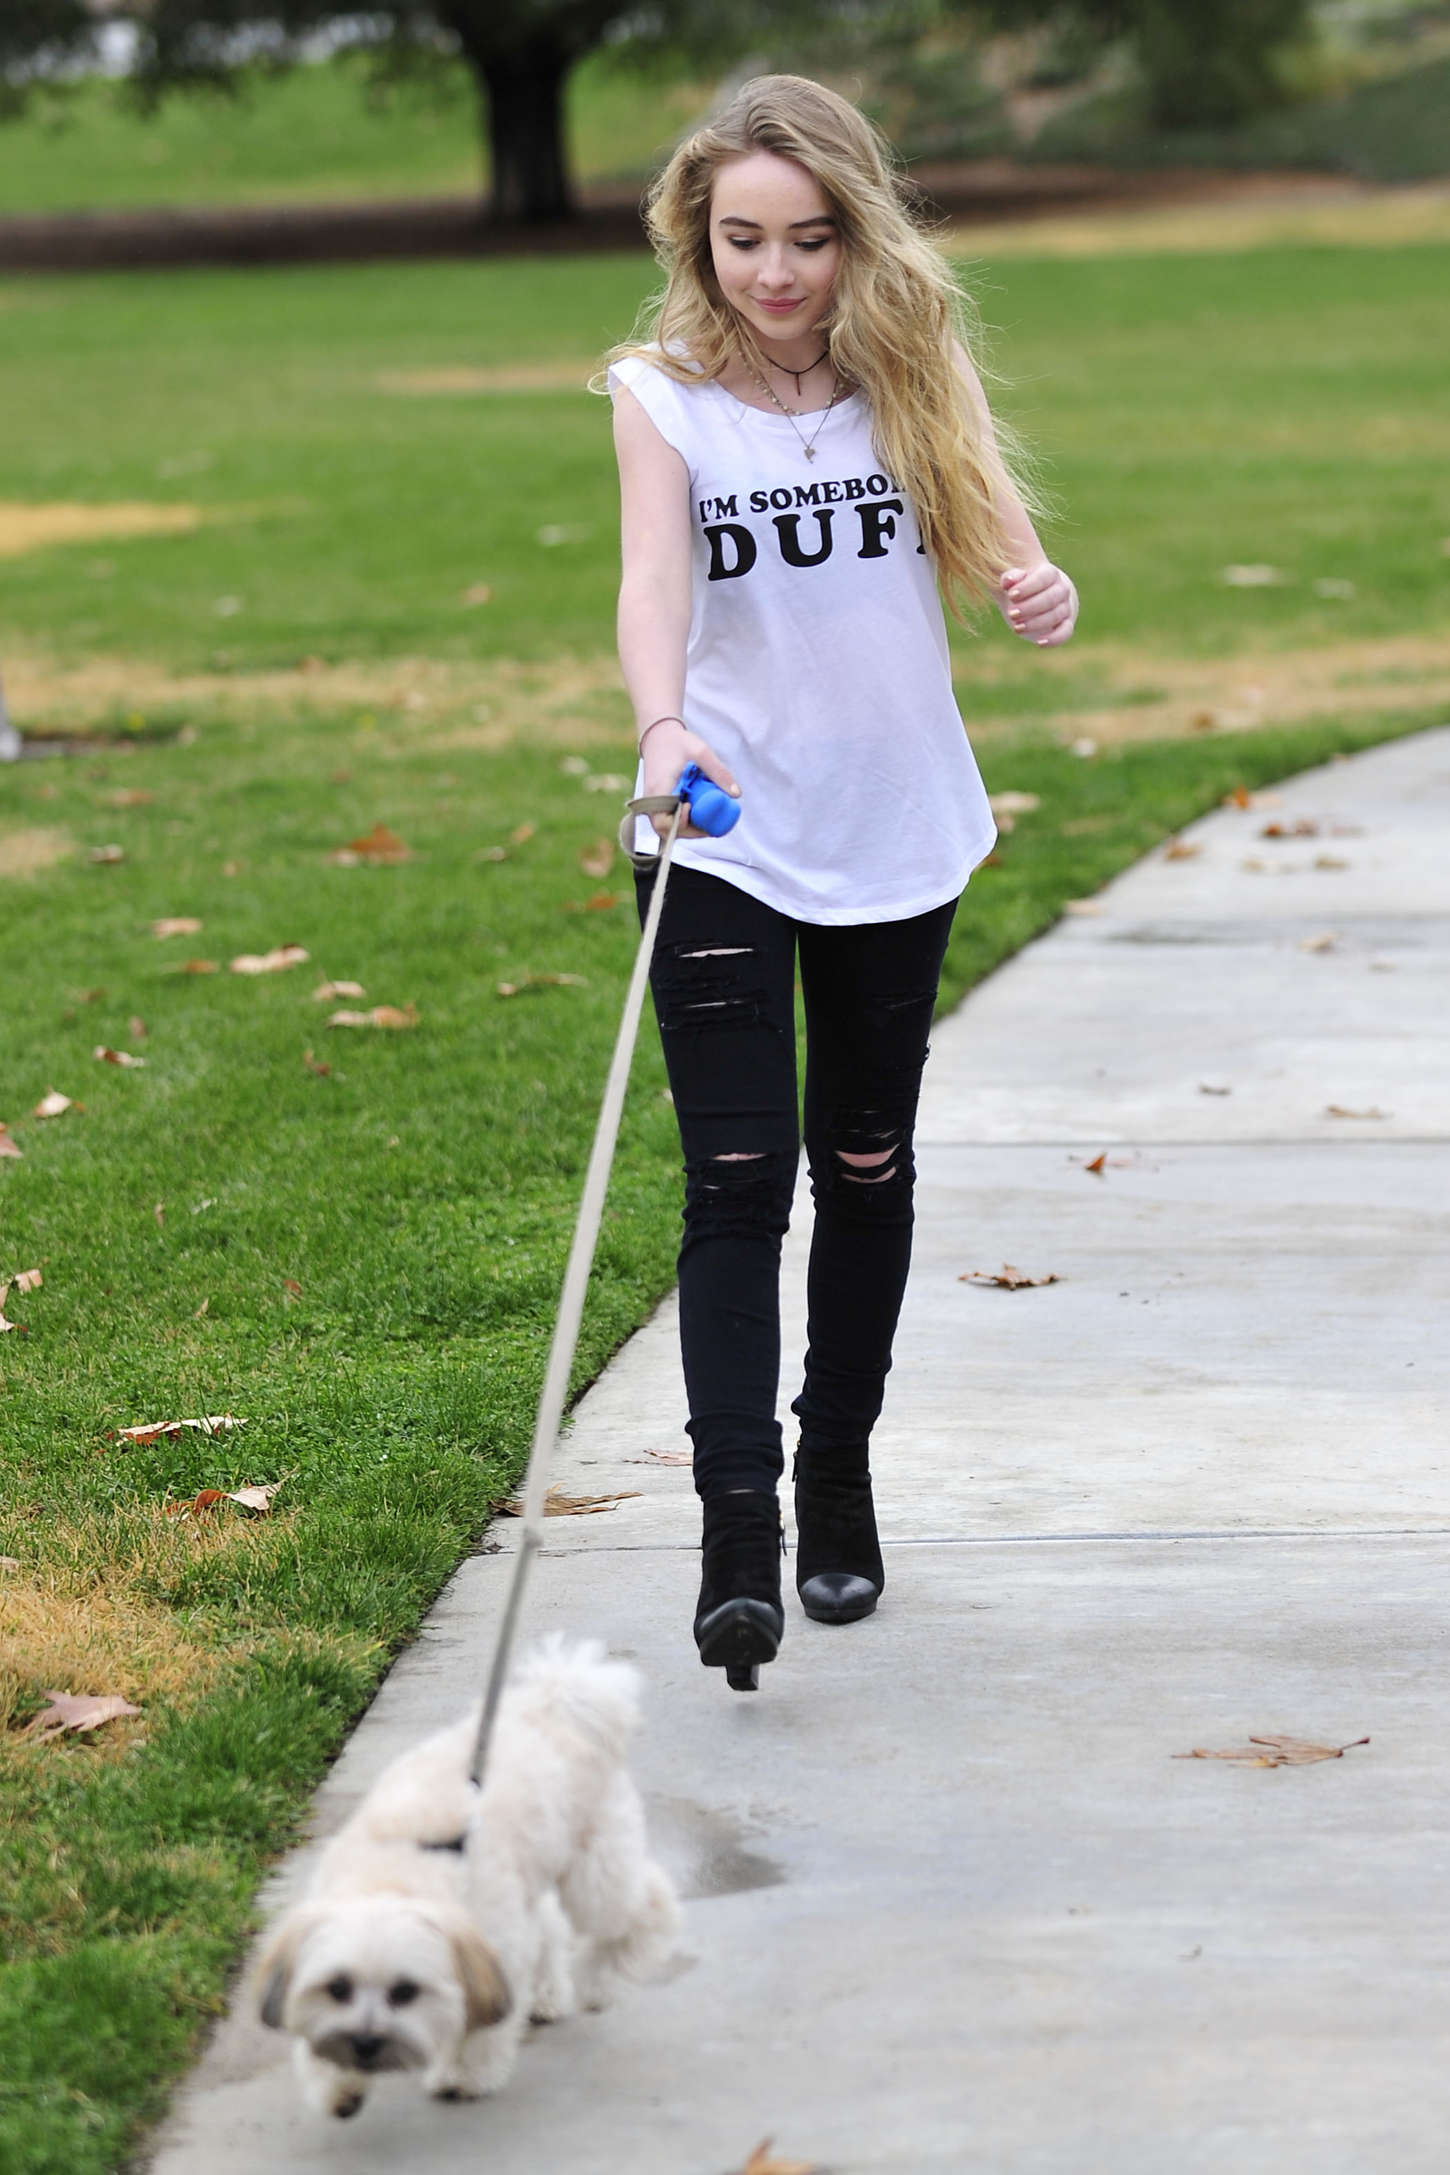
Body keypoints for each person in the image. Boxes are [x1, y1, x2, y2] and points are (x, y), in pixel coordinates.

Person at [603, 73, 1077, 1691]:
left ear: (855, 233)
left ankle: (837, 1477)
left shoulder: (909, 361)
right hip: (722, 825)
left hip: (892, 827)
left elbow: (999, 540)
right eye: (742, 239)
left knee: (863, 1163)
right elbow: (651, 581)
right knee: (736, 1182)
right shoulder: (660, 395)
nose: (776, 272)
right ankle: (736, 1539)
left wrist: (1039, 586)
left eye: (806, 238)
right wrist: (660, 725)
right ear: (697, 238)